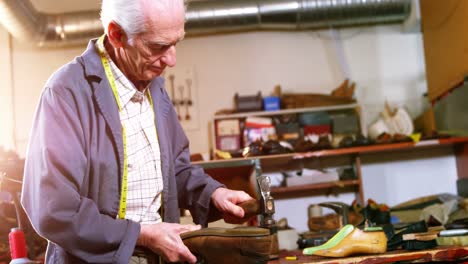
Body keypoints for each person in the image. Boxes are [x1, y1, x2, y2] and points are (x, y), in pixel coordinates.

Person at [21, 0, 253, 263]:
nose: (172, 59)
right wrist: (140, 235)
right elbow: (54, 209)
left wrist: (213, 193)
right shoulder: (66, 93)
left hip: (161, 256)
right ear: (117, 35)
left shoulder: (153, 87)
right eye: (158, 46)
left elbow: (174, 170)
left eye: (176, 42)